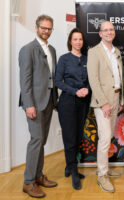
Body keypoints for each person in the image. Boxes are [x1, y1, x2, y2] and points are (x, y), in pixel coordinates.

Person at [19, 14, 58, 198]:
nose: (46, 31)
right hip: (34, 103)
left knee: (41, 141)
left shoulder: (52, 50)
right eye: (43, 27)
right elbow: (25, 81)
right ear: (36, 27)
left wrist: (55, 100)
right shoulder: (28, 50)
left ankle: (38, 176)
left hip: (49, 102)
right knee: (36, 140)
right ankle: (28, 183)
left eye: (49, 28)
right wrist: (29, 105)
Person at [87, 21, 124, 193]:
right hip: (103, 102)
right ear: (100, 33)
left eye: (111, 29)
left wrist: (121, 99)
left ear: (114, 32)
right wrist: (104, 103)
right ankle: (102, 175)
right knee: (105, 138)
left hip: (116, 98)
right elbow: (93, 80)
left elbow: (119, 77)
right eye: (105, 30)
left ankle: (105, 168)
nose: (109, 32)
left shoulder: (116, 51)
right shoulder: (94, 52)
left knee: (108, 138)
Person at [55, 28, 90, 190]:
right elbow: (58, 81)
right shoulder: (64, 59)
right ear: (70, 41)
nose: (78, 42)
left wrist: (87, 89)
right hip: (67, 102)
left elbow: (92, 80)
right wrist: (75, 91)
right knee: (69, 136)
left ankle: (70, 166)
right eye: (75, 39)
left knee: (77, 136)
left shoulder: (87, 59)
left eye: (80, 39)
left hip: (83, 102)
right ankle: (74, 171)